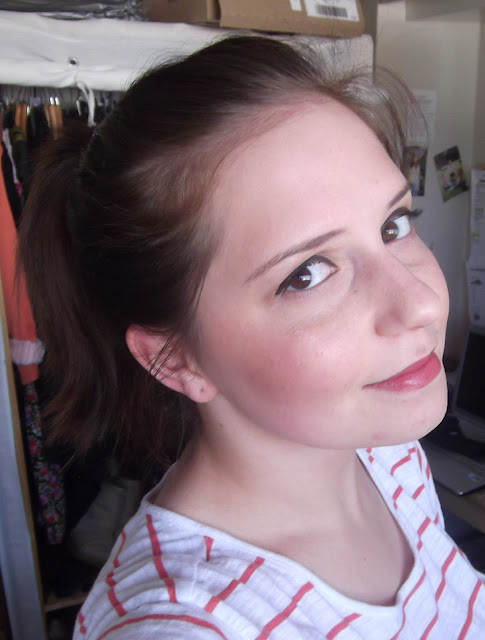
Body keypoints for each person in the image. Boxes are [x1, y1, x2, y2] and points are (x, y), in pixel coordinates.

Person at [18, 35, 485, 639]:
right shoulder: (184, 625)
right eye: (307, 274)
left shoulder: (387, 455)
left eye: (393, 225)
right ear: (177, 359)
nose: (420, 302)